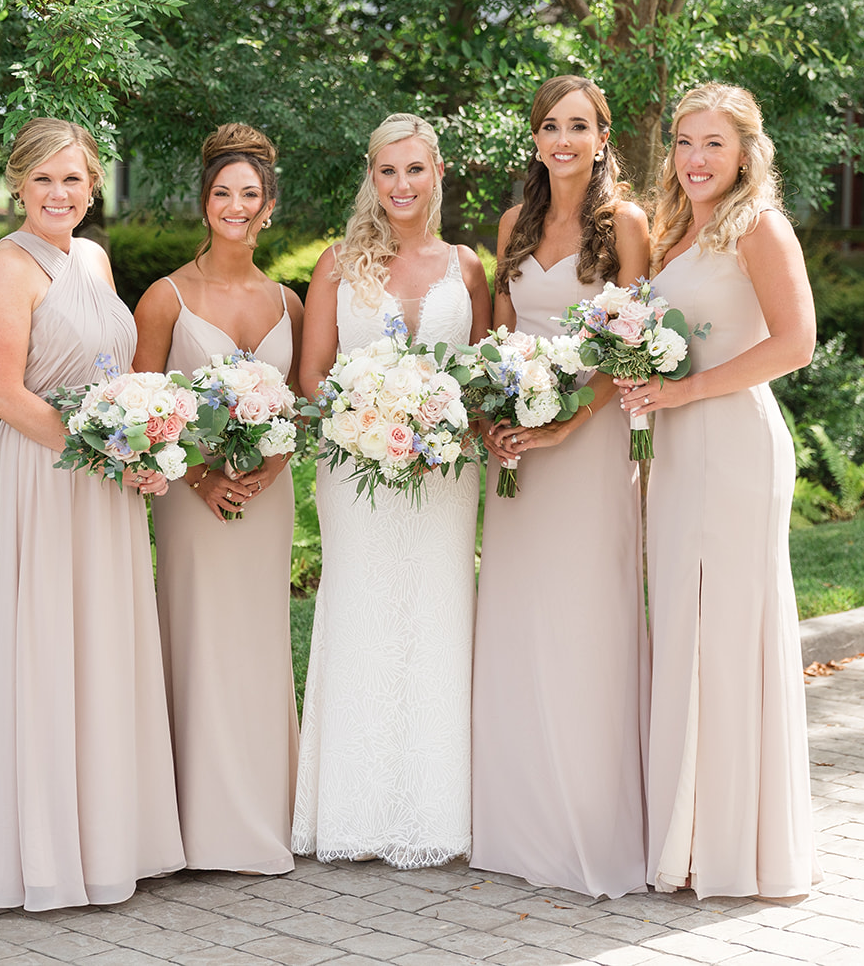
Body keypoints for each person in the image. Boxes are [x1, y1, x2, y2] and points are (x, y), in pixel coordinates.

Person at [0, 117, 183, 910]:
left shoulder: (92, 256)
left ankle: (111, 838)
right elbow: (4, 392)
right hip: (46, 475)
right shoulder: (6, 266)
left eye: (74, 179)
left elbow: (109, 365)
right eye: (45, 179)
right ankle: (47, 853)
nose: (60, 193)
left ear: (92, 187)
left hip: (105, 477)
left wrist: (139, 437)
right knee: (52, 645)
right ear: (18, 184)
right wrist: (102, 450)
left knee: (103, 647)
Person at [616, 82, 819, 898]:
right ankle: (686, 834)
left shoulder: (759, 227)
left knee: (730, 635)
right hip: (674, 448)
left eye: (714, 145)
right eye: (684, 142)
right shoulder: (671, 234)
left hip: (734, 444)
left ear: (745, 154)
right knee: (684, 629)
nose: (696, 159)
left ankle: (738, 845)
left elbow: (797, 343)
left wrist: (686, 394)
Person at [293, 112, 491, 867]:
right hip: (356, 467)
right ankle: (353, 810)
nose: (402, 184)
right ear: (371, 178)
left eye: (415, 169)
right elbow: (312, 375)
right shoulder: (337, 264)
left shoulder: (469, 267)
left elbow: (480, 373)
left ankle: (439, 813)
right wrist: (369, 417)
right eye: (387, 171)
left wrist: (437, 422)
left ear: (439, 172)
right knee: (362, 609)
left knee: (438, 613)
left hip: (445, 472)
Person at [471, 75, 652, 898]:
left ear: (604, 137)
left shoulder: (627, 226)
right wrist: (501, 419)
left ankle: (590, 826)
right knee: (518, 615)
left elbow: (633, 347)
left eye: (579, 125)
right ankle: (519, 826)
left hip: (589, 438)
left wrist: (565, 425)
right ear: (536, 139)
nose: (563, 139)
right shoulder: (516, 223)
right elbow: (502, 336)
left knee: (585, 619)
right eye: (550, 125)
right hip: (521, 449)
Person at [132, 123, 304, 874]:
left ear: (269, 206)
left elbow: (301, 407)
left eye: (249, 194)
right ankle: (196, 825)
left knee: (259, 641)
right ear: (204, 202)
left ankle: (269, 812)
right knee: (197, 640)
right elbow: (138, 411)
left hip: (265, 497)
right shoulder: (166, 298)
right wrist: (201, 477)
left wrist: (268, 468)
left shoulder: (291, 302)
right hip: (191, 497)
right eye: (221, 193)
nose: (235, 206)